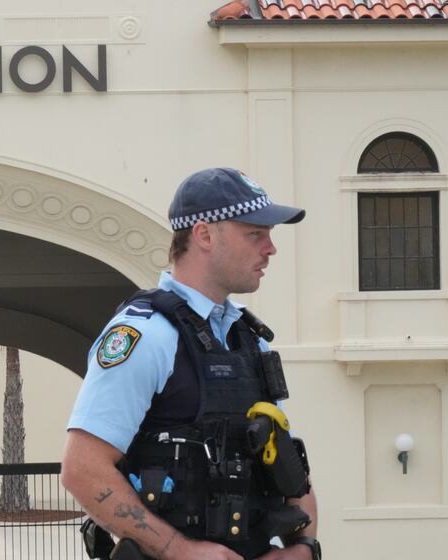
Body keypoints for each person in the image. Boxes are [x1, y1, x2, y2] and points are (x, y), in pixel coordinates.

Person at [62, 168, 320, 560]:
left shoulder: (245, 338)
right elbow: (82, 469)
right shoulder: (146, 335)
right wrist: (178, 549)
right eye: (255, 234)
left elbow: (287, 463)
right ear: (204, 235)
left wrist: (302, 549)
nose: (270, 248)